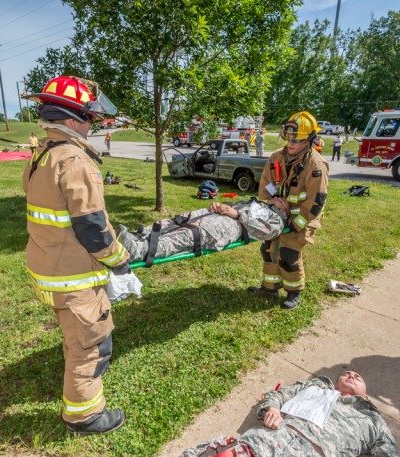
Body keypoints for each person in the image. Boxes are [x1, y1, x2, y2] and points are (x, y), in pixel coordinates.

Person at [21, 75, 130, 435]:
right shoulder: (75, 161)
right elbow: (93, 228)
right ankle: (84, 416)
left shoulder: (42, 154)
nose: (92, 125)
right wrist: (120, 260)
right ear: (71, 119)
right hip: (73, 276)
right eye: (89, 118)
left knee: (76, 337)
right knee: (93, 345)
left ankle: (79, 400)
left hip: (48, 266)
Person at [182, 371, 399, 457]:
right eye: (346, 374)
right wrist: (273, 408)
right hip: (270, 440)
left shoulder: (372, 419)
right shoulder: (316, 386)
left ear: (367, 395)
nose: (351, 375)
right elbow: (277, 395)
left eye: (357, 377)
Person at [248, 111, 328, 310]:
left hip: (302, 218)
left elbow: (316, 200)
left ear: (309, 139)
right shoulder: (276, 158)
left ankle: (294, 292)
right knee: (268, 250)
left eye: (297, 140)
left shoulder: (315, 164)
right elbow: (266, 183)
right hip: (277, 215)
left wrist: (294, 222)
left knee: (288, 254)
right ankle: (269, 287)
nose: (291, 144)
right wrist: (274, 202)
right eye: (288, 138)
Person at [116, 199, 287, 264]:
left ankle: (137, 250)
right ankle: (139, 236)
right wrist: (218, 206)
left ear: (284, 211)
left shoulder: (276, 219)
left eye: (282, 200)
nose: (277, 197)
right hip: (219, 215)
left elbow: (268, 232)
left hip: (232, 227)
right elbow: (233, 207)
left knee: (187, 235)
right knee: (178, 221)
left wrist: (237, 214)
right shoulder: (257, 203)